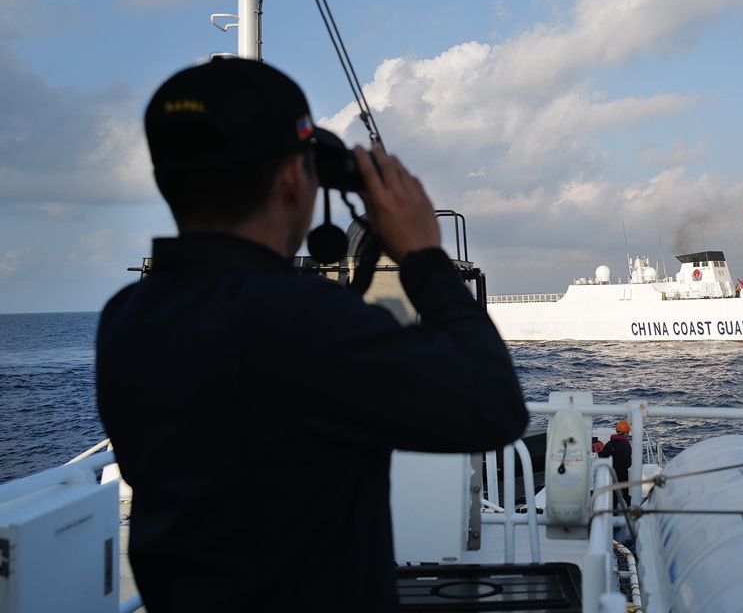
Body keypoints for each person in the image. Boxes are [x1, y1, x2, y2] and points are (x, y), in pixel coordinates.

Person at [95, 58, 529, 613]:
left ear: (164, 181)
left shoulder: (126, 318)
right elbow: (495, 407)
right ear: (295, 179)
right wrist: (424, 256)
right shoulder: (305, 321)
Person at [598, 420, 633, 508]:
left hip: (610, 475)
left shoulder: (609, 444)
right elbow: (628, 463)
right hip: (623, 476)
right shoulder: (625, 446)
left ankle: (613, 511)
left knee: (613, 497)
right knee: (627, 496)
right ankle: (631, 510)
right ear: (625, 433)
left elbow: (603, 458)